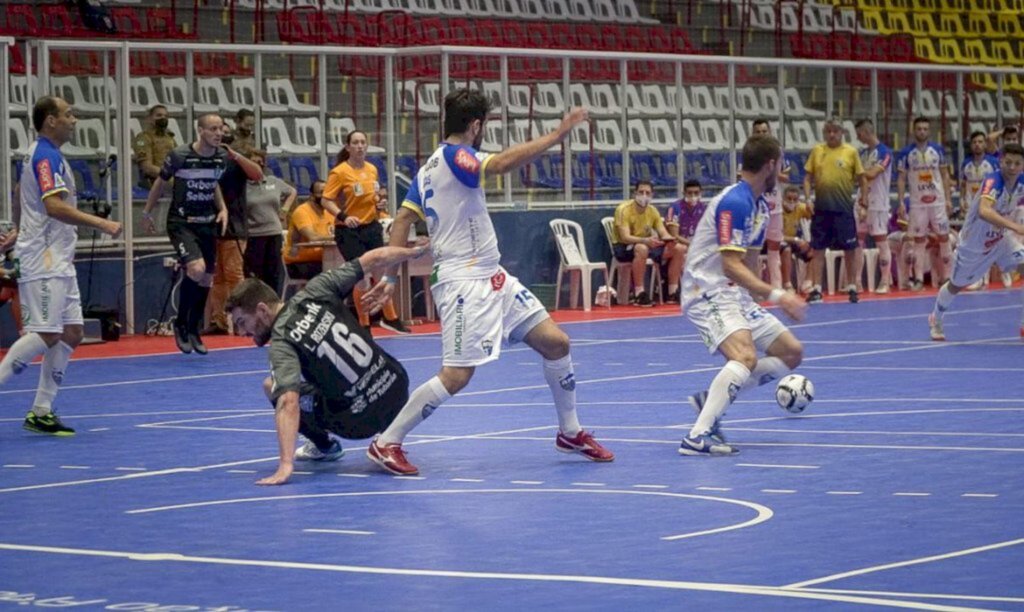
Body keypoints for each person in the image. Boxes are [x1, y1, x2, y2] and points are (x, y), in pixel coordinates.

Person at [360, 88, 614, 475]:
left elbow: (403, 220)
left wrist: (392, 278)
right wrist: (557, 136)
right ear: (476, 125)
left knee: (557, 343)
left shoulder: (428, 167)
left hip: (492, 275)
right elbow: (498, 165)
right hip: (463, 281)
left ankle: (570, 432)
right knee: (457, 374)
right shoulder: (454, 155)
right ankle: (386, 441)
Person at [226, 242, 430, 485]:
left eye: (242, 322)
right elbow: (373, 257)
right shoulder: (317, 288)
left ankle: (324, 447)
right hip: (397, 389)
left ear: (261, 310)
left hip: (359, 421)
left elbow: (288, 402)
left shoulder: (282, 340)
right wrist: (414, 252)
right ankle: (386, 432)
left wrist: (285, 465)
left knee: (273, 386)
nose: (241, 332)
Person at [0, 96, 122, 435]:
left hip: (58, 258)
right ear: (50, 120)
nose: (74, 119)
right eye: (68, 114)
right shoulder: (45, 154)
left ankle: (41, 411)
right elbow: (54, 207)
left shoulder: (44, 155)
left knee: (72, 332)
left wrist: (16, 227)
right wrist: (102, 224)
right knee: (46, 332)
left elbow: (18, 189)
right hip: (44, 257)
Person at [680, 134, 806, 456]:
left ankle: (712, 399)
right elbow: (731, 265)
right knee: (745, 358)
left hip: (733, 294)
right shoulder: (735, 201)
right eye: (780, 167)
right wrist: (780, 295)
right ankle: (698, 436)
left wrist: (758, 296)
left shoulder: (760, 206)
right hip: (706, 290)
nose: (781, 174)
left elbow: (748, 263)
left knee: (791, 352)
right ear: (770, 165)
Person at [142, 114, 232, 355]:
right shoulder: (180, 156)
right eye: (213, 129)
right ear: (200, 130)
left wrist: (222, 208)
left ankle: (194, 328)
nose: (218, 133)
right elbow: (160, 183)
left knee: (206, 278)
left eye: (220, 129)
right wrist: (147, 212)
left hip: (207, 223)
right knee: (196, 269)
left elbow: (213, 184)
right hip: (181, 222)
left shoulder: (221, 157)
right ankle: (181, 323)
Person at [928, 144, 1024, 341]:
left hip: (1001, 239)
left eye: (1017, 163)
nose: (1012, 167)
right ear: (1001, 161)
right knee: (956, 285)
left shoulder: (1021, 182)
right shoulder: (993, 180)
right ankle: (936, 318)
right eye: (1008, 162)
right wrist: (1015, 226)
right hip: (974, 244)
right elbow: (984, 210)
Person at [322, 130, 408, 334]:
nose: (360, 146)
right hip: (349, 231)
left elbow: (374, 197)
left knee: (382, 272)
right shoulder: (340, 172)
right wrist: (343, 216)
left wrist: (380, 204)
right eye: (355, 142)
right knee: (361, 277)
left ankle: (391, 317)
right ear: (348, 146)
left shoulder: (372, 169)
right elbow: (326, 200)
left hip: (371, 227)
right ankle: (364, 323)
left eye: (363, 142)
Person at [203, 121, 263, 336]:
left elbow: (257, 174)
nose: (222, 136)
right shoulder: (205, 159)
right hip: (209, 225)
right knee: (215, 276)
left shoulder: (236, 160)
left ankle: (242, 320)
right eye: (218, 131)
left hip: (235, 226)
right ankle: (218, 321)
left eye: (226, 133)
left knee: (233, 274)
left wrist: (236, 155)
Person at [804, 117, 867, 303]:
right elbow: (807, 178)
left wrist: (864, 201)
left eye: (835, 131)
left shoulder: (851, 152)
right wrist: (807, 199)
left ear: (842, 133)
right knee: (818, 249)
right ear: (825, 133)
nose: (832, 134)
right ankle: (816, 289)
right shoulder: (817, 151)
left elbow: (862, 179)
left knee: (850, 248)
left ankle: (853, 287)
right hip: (822, 208)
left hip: (843, 209)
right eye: (828, 131)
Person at [897, 117, 954, 291]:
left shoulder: (937, 150)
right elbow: (901, 178)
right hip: (917, 203)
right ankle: (919, 279)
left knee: (944, 237)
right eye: (919, 129)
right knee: (919, 240)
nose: (922, 131)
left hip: (937, 201)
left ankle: (947, 278)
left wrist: (949, 199)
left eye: (925, 129)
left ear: (929, 131)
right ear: (913, 131)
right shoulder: (906, 153)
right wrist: (900, 201)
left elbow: (944, 175)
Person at [612, 180, 686, 305]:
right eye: (641, 192)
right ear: (635, 193)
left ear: (652, 195)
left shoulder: (652, 211)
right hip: (624, 247)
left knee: (679, 248)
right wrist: (645, 240)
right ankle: (639, 293)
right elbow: (625, 237)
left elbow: (663, 232)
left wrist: (669, 240)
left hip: (647, 244)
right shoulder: (623, 210)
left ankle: (672, 292)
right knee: (641, 248)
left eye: (647, 192)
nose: (644, 195)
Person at [244, 149, 296, 295]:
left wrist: (284, 210)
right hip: (253, 235)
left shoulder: (273, 181)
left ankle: (274, 304)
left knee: (274, 274)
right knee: (255, 276)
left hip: (274, 233)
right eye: (254, 163)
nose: (258, 166)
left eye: (260, 163)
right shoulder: (243, 186)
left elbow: (292, 191)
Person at [853, 119, 894, 294]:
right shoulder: (862, 154)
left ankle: (884, 281)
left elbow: (871, 174)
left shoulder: (885, 153)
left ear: (866, 132)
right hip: (861, 202)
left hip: (878, 204)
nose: (857, 137)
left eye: (859, 133)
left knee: (881, 241)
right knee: (858, 241)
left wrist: (858, 174)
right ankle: (856, 282)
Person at [750, 118, 790, 290]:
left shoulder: (778, 151)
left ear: (769, 132)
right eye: (758, 132)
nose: (761, 134)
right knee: (753, 248)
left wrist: (774, 174)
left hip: (775, 206)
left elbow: (785, 175)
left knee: (774, 246)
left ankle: (777, 286)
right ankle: (753, 287)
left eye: (764, 131)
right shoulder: (749, 152)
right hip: (757, 207)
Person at [283, 180, 335, 281]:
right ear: (311, 195)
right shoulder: (302, 212)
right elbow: (313, 238)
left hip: (323, 260)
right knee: (332, 273)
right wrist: (336, 237)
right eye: (321, 192)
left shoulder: (330, 211)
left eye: (327, 192)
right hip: (298, 263)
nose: (325, 196)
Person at [664, 179, 706, 269]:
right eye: (689, 193)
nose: (693, 196)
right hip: (676, 245)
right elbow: (674, 235)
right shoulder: (675, 208)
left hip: (696, 245)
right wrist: (693, 245)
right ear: (684, 193)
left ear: (701, 193)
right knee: (684, 250)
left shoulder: (703, 208)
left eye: (696, 193)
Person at [132, 104, 177, 189]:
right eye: (159, 115)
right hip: (155, 181)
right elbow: (147, 167)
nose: (163, 118)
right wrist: (170, 177)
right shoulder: (143, 138)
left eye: (165, 116)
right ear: (149, 119)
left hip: (172, 178)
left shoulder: (169, 137)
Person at [780, 185, 812, 291]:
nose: (792, 202)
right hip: (775, 242)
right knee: (786, 249)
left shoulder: (799, 208)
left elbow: (815, 216)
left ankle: (807, 283)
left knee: (814, 250)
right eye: (789, 199)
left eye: (795, 199)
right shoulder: (777, 210)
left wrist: (810, 207)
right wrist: (797, 240)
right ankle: (787, 285)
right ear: (783, 198)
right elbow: (776, 236)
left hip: (793, 240)